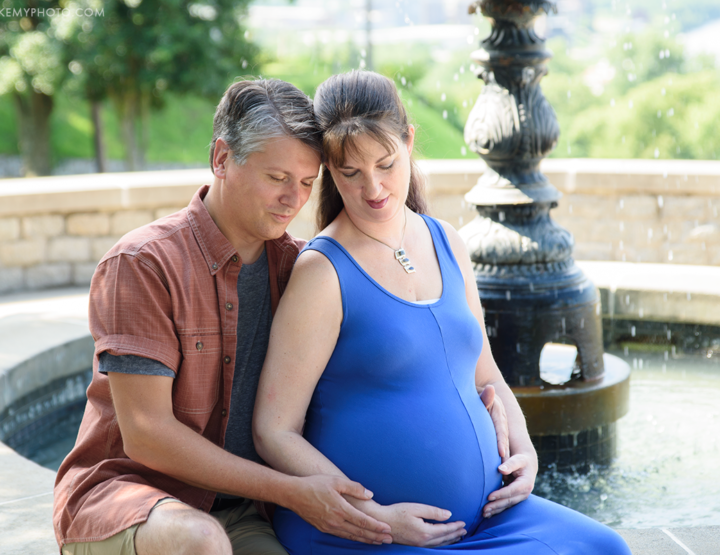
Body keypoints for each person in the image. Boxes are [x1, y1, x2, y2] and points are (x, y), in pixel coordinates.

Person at [253, 70, 632, 554]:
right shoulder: (322, 271)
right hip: (367, 531)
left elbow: (486, 374)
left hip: (487, 518)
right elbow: (273, 431)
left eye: (386, 164)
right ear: (329, 168)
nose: (374, 188)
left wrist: (526, 452)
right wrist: (376, 517)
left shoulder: (447, 241)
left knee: (605, 547)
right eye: (350, 173)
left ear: (409, 142)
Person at [52, 79, 403, 555]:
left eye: (306, 183)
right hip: (125, 498)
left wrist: (483, 391)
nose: (293, 199)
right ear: (221, 158)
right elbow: (147, 435)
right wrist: (291, 492)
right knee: (201, 540)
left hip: (240, 511)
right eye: (277, 178)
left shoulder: (301, 271)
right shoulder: (142, 264)